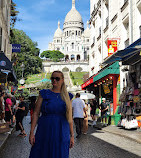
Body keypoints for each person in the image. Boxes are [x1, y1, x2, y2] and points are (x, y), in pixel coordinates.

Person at [29, 71, 74, 158]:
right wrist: (31, 132)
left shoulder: (68, 96)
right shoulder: (44, 94)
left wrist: (72, 135)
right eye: (52, 78)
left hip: (61, 131)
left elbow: (70, 117)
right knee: (42, 153)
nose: (54, 80)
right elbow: (36, 113)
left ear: (62, 80)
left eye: (57, 78)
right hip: (44, 130)